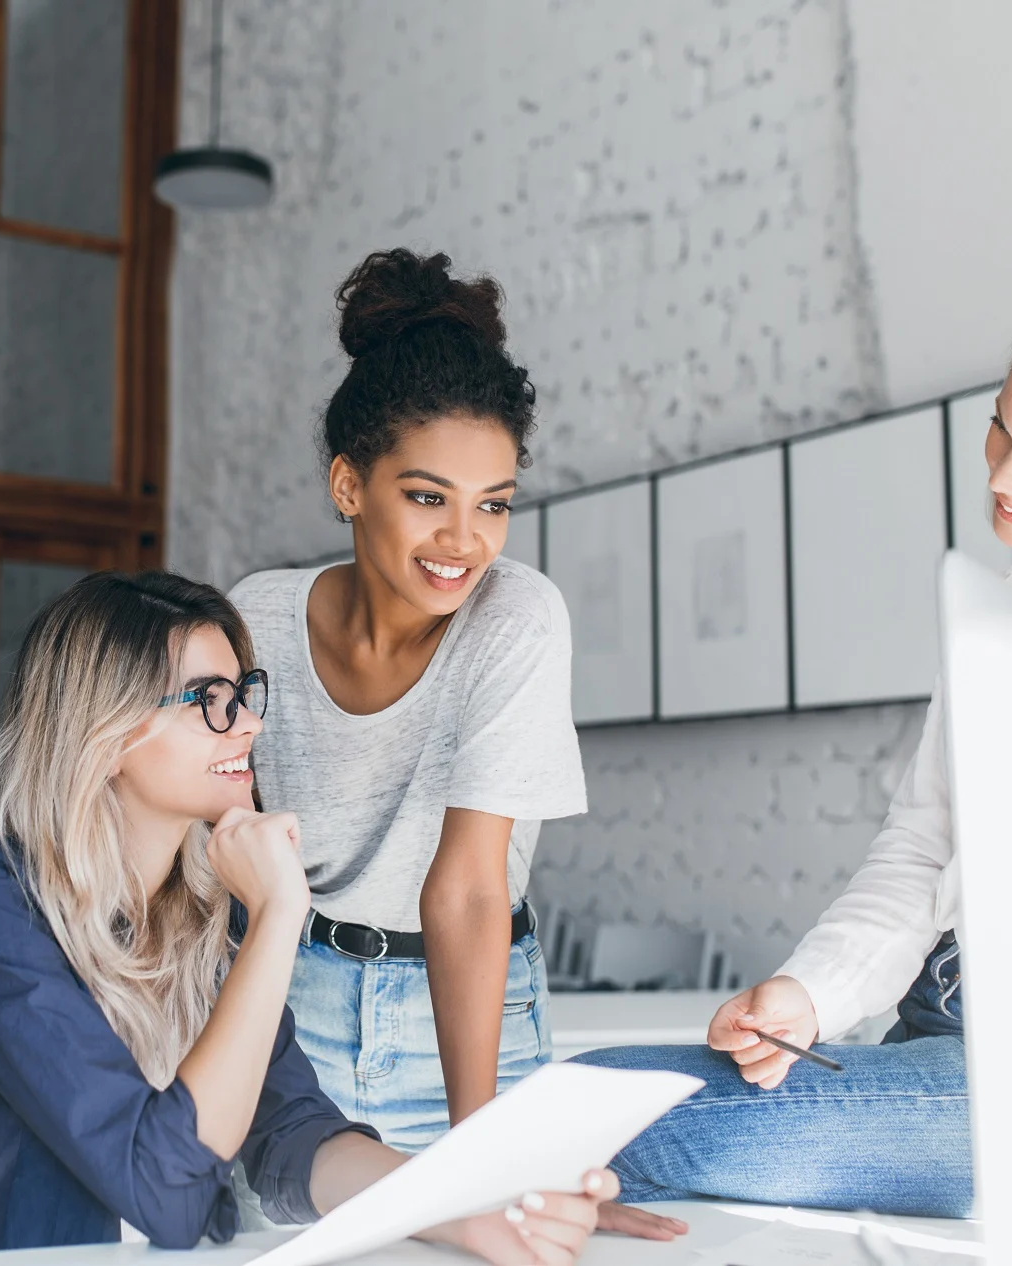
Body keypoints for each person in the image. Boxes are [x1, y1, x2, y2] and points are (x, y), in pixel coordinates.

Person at [574, 266, 1012, 1216]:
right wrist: (808, 995)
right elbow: (919, 850)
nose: (1001, 475)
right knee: (590, 1093)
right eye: (1001, 430)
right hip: (934, 1024)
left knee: (608, 1121)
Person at [0, 571, 676, 1260]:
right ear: (104, 733)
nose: (248, 723)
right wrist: (285, 912)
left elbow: (293, 1138)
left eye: (244, 693)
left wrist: (474, 1209)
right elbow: (167, 1190)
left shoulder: (199, 915)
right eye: (207, 701)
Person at [229, 249, 592, 1151]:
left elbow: (468, 891)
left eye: (495, 505)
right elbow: (221, 853)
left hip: (473, 1018)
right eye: (428, 496)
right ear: (350, 485)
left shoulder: (517, 619)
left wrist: (468, 1162)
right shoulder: (257, 618)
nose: (464, 541)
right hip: (291, 999)